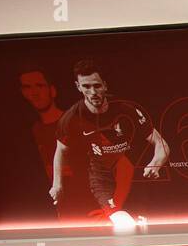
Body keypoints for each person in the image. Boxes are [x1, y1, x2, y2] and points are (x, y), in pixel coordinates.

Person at [51, 60, 169, 214]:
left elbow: (161, 144)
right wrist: (57, 184)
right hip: (102, 181)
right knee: (122, 222)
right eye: (86, 86)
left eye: (97, 86)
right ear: (78, 87)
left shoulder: (126, 109)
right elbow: (60, 150)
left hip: (134, 177)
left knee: (143, 224)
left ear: (105, 86)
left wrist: (155, 163)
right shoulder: (71, 118)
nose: (93, 92)